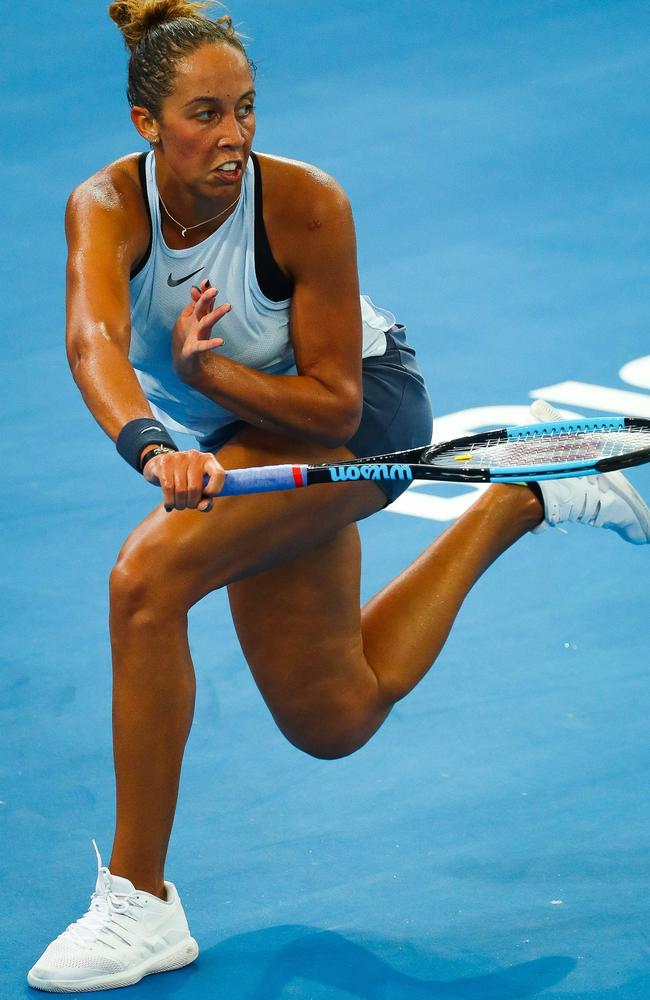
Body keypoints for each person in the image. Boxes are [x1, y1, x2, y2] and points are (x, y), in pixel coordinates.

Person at [27, 0, 650, 992]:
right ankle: (519, 502)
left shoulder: (304, 203)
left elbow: (332, 403)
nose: (232, 137)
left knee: (143, 582)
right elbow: (92, 342)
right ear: (145, 125)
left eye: (245, 109)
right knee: (332, 716)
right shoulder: (103, 209)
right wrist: (152, 445)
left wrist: (215, 382)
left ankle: (140, 899)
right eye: (203, 114)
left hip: (364, 416)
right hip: (237, 437)